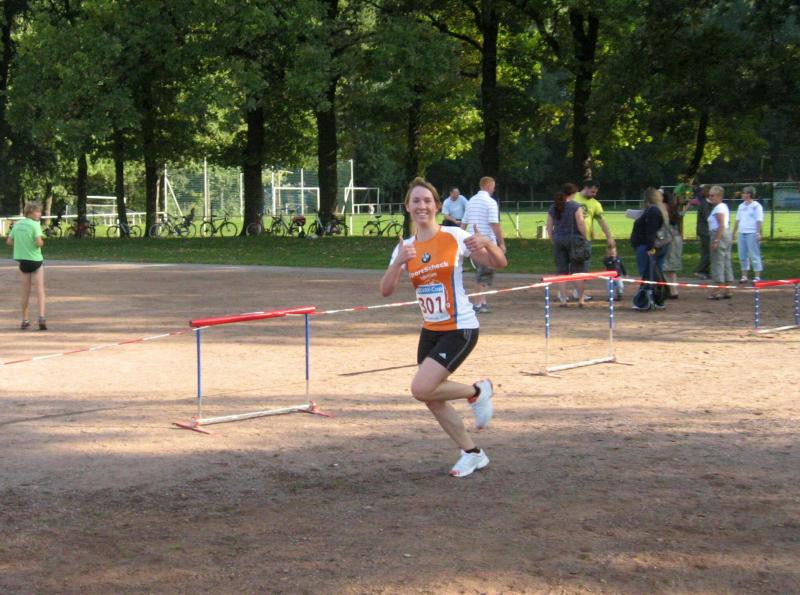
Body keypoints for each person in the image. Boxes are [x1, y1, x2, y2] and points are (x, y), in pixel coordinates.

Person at [380, 177, 507, 478]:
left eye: (427, 200)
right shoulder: (405, 247)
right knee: (431, 397)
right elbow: (385, 290)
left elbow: (499, 263)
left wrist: (488, 243)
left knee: (420, 388)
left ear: (437, 206)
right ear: (407, 207)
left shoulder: (455, 236)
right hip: (430, 330)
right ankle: (472, 453)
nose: (421, 206)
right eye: (416, 201)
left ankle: (477, 391)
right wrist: (398, 262)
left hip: (460, 327)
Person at [462, 176, 506, 313]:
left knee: (484, 273)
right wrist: (501, 243)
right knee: (483, 273)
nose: (494, 189)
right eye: (493, 187)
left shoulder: (471, 201)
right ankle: (477, 304)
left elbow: (464, 223)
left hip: (471, 242)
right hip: (484, 243)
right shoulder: (490, 202)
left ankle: (482, 301)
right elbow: (494, 224)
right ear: (488, 186)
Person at [545, 183, 589, 306]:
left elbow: (549, 226)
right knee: (578, 271)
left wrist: (552, 238)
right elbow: (580, 223)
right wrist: (585, 237)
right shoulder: (576, 206)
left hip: (559, 239)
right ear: (573, 193)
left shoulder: (553, 207)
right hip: (574, 240)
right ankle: (581, 299)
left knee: (561, 271)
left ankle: (564, 300)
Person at [7, 201, 47, 330]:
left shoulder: (17, 224)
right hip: (35, 260)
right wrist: (41, 242)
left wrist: (21, 243)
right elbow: (39, 243)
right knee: (39, 289)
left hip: (22, 261)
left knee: (25, 291)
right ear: (30, 212)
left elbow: (9, 241)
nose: (39, 214)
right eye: (38, 211)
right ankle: (41, 317)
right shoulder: (35, 225)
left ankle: (25, 320)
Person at [572, 180, 615, 300]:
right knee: (567, 266)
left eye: (596, 192)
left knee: (584, 267)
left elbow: (602, 221)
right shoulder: (573, 197)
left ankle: (578, 292)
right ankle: (563, 293)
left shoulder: (595, 204)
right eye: (592, 191)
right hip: (570, 238)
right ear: (586, 187)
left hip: (585, 240)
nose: (594, 194)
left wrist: (609, 237)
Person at [630, 187, 668, 283]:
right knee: (656, 273)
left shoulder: (653, 211)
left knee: (647, 274)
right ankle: (655, 290)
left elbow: (651, 231)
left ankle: (649, 291)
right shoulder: (658, 210)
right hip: (654, 246)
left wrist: (650, 248)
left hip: (646, 246)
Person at [707, 185, 735, 299]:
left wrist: (716, 240)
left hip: (718, 234)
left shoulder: (719, 208)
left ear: (719, 196)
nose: (710, 197)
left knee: (717, 261)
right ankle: (728, 289)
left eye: (712, 195)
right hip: (726, 234)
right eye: (709, 195)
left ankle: (717, 290)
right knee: (726, 261)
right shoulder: (723, 206)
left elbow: (721, 225)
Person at [733, 186, 764, 283]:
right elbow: (737, 220)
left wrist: (758, 233)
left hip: (752, 233)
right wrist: (733, 233)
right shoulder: (741, 206)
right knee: (742, 255)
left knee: (754, 255)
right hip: (741, 233)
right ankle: (744, 276)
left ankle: (757, 277)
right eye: (743, 193)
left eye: (745, 193)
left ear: (750, 194)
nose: (743, 194)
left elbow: (759, 220)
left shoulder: (756, 206)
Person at [662, 189, 689, 298]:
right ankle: (673, 290)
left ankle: (671, 290)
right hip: (675, 238)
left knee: (666, 266)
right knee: (671, 268)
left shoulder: (664, 208)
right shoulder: (673, 208)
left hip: (669, 239)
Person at [691, 185, 713, 278]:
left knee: (706, 252)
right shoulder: (705, 204)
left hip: (706, 230)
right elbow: (708, 217)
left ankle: (705, 271)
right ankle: (699, 270)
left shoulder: (707, 203)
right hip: (705, 231)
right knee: (708, 252)